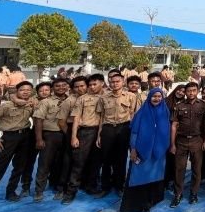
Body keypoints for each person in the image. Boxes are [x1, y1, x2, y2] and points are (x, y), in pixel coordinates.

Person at [120, 88, 170, 212]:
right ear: (149, 97)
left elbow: (167, 130)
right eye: (154, 96)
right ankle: (138, 205)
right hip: (142, 152)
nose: (157, 99)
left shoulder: (165, 111)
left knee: (154, 177)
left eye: (159, 96)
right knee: (138, 177)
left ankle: (151, 201)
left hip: (158, 153)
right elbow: (135, 132)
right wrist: (133, 149)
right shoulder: (142, 112)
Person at [62, 72, 105, 204]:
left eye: (94, 84)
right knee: (78, 163)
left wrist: (100, 135)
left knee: (95, 162)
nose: (91, 87)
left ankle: (91, 186)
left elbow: (103, 118)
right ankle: (70, 192)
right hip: (85, 132)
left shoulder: (107, 97)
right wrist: (74, 137)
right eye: (90, 84)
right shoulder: (82, 99)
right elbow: (76, 118)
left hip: (100, 132)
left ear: (102, 84)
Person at [96, 71, 139, 197]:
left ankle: (119, 186)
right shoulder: (103, 98)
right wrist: (99, 135)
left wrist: (133, 134)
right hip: (108, 128)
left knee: (121, 159)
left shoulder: (131, 96)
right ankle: (105, 187)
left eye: (117, 81)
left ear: (123, 82)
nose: (114, 84)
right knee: (106, 159)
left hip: (124, 128)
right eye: (112, 82)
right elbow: (101, 117)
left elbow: (134, 115)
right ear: (109, 83)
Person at [0, 80, 34, 201]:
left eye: (28, 90)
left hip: (25, 137)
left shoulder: (31, 104)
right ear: (17, 91)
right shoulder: (6, 106)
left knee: (19, 167)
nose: (25, 92)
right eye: (22, 90)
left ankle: (11, 193)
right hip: (9, 138)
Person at [32, 77, 70, 201]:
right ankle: (39, 191)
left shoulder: (71, 99)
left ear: (67, 86)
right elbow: (38, 119)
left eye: (64, 85)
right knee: (44, 163)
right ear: (53, 88)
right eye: (58, 86)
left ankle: (59, 189)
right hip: (50, 135)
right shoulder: (46, 102)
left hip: (65, 135)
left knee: (62, 163)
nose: (61, 88)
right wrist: (39, 139)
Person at [169, 81, 205, 206]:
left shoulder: (203, 105)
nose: (191, 93)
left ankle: (194, 193)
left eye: (194, 90)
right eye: (189, 91)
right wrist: (172, 144)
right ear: (185, 92)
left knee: (197, 169)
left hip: (197, 140)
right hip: (181, 141)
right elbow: (174, 125)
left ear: (197, 91)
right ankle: (178, 194)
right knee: (180, 169)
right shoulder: (179, 106)